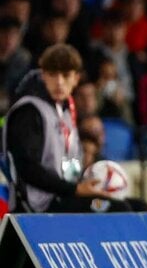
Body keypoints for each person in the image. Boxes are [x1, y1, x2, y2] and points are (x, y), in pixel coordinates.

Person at [2, 45, 132, 212]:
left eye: (65, 75)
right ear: (43, 75)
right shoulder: (29, 111)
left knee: (137, 205)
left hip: (66, 195)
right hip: (41, 204)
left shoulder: (63, 112)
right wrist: (75, 189)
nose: (59, 82)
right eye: (52, 74)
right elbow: (27, 168)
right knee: (116, 208)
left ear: (76, 78)